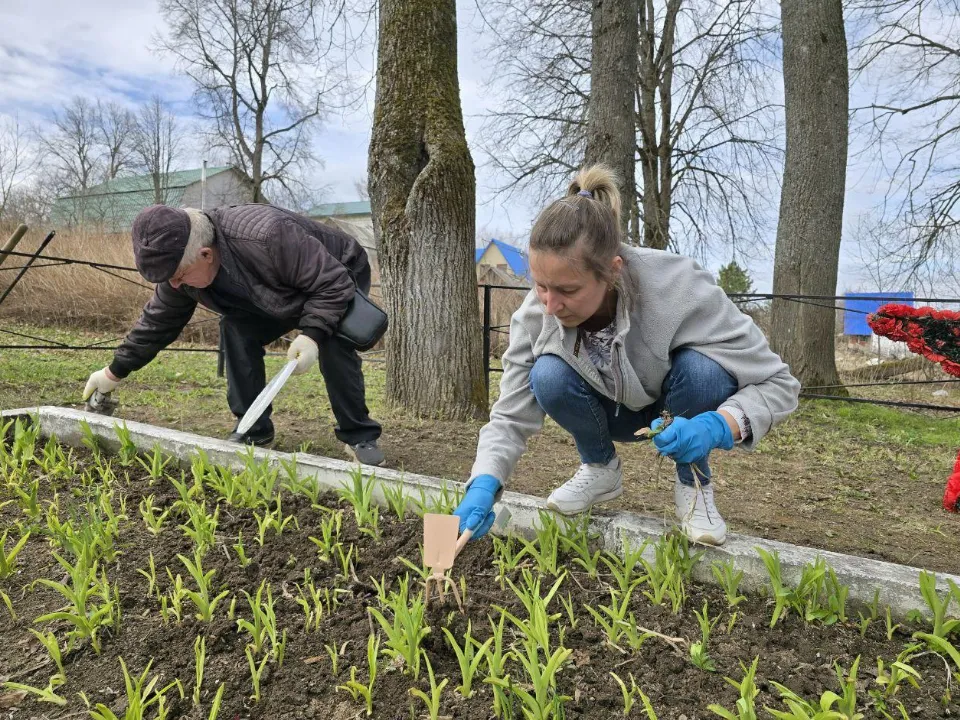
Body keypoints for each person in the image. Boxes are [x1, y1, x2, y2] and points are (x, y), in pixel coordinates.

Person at [453, 165, 800, 545]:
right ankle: (600, 468)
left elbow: (780, 384)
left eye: (567, 290)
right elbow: (510, 413)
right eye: (540, 286)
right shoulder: (536, 314)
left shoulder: (680, 286)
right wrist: (485, 482)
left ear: (612, 271)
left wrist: (717, 426)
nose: (550, 306)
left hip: (677, 409)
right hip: (603, 412)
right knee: (547, 374)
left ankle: (694, 485)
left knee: (705, 372)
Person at [81, 203, 385, 466]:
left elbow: (331, 285)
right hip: (271, 288)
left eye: (178, 277)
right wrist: (113, 373)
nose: (174, 286)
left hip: (335, 273)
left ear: (205, 254)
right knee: (235, 328)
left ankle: (359, 436)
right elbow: (157, 322)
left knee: (333, 342)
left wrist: (312, 333)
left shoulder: (268, 235)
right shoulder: (181, 265)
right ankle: (254, 430)